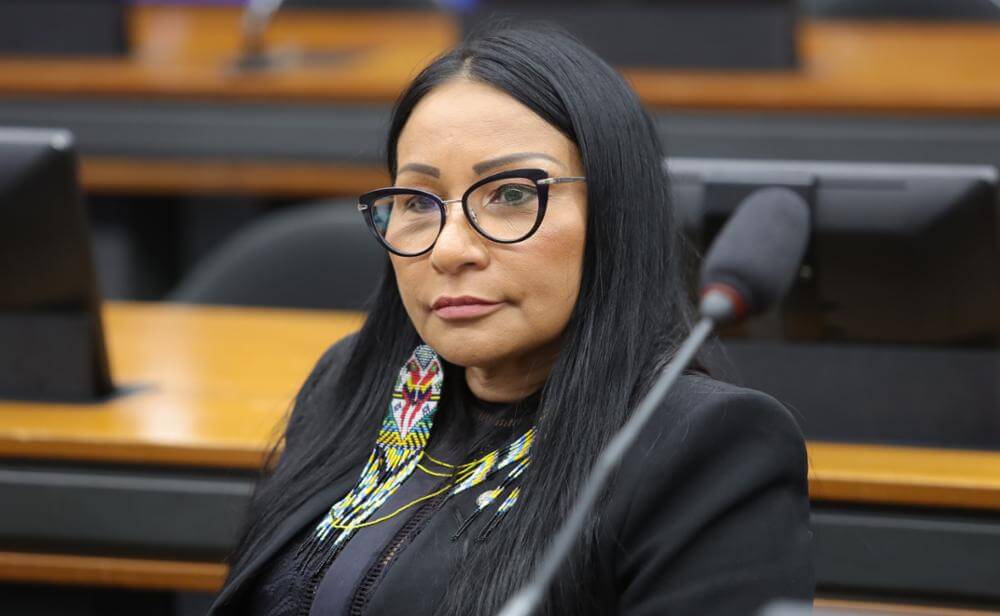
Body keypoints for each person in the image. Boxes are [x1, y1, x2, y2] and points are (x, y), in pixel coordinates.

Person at [208, 23, 813, 616]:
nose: (449, 250)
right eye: (417, 202)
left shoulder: (702, 444)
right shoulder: (356, 382)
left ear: (613, 213)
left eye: (512, 194)